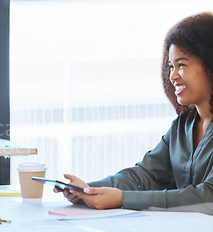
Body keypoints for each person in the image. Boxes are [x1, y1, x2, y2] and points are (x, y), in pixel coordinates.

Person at [56, 12, 213, 213]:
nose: (172, 76)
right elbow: (145, 175)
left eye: (181, 65)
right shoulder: (183, 126)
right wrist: (88, 189)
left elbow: (208, 196)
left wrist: (122, 198)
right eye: (171, 66)